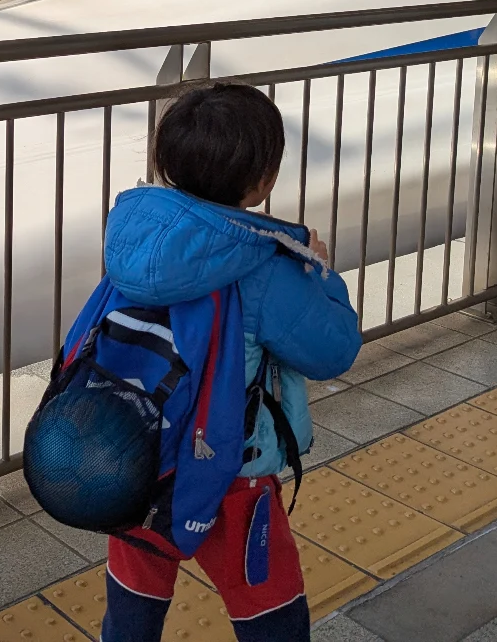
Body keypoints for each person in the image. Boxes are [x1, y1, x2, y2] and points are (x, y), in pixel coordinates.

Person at [100, 82, 362, 642]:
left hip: (136, 453)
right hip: (228, 471)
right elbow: (335, 349)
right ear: (262, 179)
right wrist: (318, 270)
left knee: (132, 610)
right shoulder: (263, 265)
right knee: (271, 614)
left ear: (164, 162)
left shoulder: (135, 234)